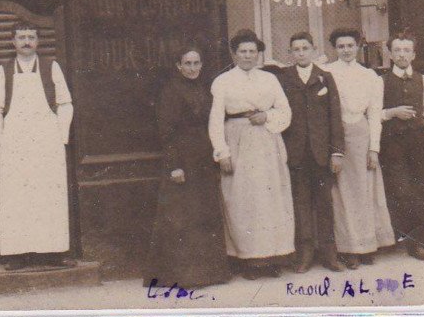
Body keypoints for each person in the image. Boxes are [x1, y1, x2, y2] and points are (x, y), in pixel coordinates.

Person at [0, 20, 74, 269]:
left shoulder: (50, 67)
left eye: (31, 37)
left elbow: (65, 104)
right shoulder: (3, 71)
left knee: (50, 195)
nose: (26, 42)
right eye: (21, 37)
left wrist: (61, 138)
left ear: (38, 41)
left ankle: (56, 252)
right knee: (16, 197)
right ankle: (15, 255)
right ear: (12, 42)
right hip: (15, 144)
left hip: (47, 142)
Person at [208, 29, 295, 280]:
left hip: (267, 142)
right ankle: (248, 259)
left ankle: (272, 257)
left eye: (252, 52)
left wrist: (266, 116)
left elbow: (285, 111)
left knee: (270, 200)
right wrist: (222, 152)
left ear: (259, 54)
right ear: (234, 54)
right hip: (237, 141)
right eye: (243, 51)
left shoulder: (269, 79)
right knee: (243, 201)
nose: (248, 56)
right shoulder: (222, 82)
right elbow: (215, 120)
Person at [145, 45, 230, 289]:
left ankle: (209, 273)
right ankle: (185, 276)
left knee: (203, 214)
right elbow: (166, 132)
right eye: (188, 64)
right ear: (178, 66)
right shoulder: (170, 91)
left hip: (203, 158)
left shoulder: (205, 88)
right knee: (182, 218)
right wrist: (175, 166)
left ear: (201, 65)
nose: (192, 68)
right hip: (182, 159)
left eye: (196, 63)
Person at [325, 28, 394, 268]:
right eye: (341, 46)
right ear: (335, 48)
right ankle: (347, 248)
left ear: (357, 47)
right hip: (337, 136)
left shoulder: (370, 77)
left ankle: (366, 246)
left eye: (350, 46)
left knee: (365, 192)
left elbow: (374, 114)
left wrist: (374, 148)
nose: (346, 50)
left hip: (362, 135)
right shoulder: (326, 73)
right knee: (342, 193)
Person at [277, 32, 346, 273]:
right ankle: (305, 253)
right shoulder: (284, 78)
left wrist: (337, 152)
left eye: (305, 48)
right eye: (296, 49)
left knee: (325, 203)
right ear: (290, 53)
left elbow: (335, 117)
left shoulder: (325, 78)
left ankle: (329, 254)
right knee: (301, 203)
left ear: (314, 49)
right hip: (296, 153)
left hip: (321, 153)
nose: (301, 53)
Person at [380, 31, 424, 261]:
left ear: (414, 54)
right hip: (393, 145)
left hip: (419, 143)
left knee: (420, 189)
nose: (402, 55)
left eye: (406, 50)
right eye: (397, 50)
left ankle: (420, 242)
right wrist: (391, 112)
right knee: (401, 191)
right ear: (390, 54)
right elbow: (373, 114)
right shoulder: (381, 81)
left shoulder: (423, 80)